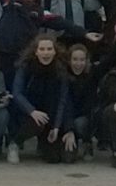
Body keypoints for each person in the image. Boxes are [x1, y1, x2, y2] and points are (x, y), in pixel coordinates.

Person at [9, 34, 77, 164]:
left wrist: (58, 127)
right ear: (36, 51)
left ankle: (43, 144)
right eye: (42, 49)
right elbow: (17, 93)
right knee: (37, 122)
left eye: (49, 49)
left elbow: (63, 99)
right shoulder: (25, 67)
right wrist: (32, 111)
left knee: (62, 158)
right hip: (27, 114)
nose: (46, 53)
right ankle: (15, 143)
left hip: (51, 117)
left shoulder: (61, 69)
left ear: (55, 51)